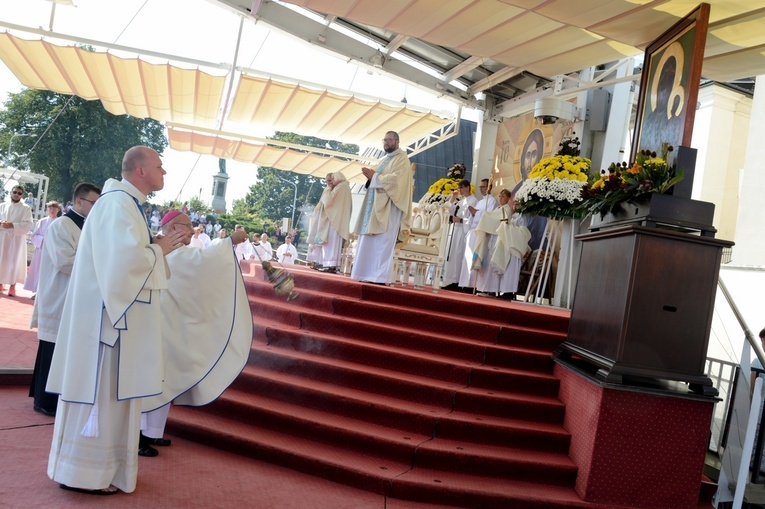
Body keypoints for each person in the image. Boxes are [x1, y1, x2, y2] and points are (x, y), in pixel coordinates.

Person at [46, 146, 187, 495]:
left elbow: (126, 256)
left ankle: (98, 471)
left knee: (110, 401)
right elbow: (121, 266)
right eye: (159, 166)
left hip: (111, 324)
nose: (164, 173)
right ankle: (84, 475)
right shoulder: (117, 204)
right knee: (101, 400)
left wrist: (154, 245)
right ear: (140, 171)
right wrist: (160, 249)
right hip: (105, 328)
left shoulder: (126, 205)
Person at [139, 211, 252, 457]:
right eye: (188, 226)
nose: (192, 231)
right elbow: (201, 262)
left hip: (169, 324)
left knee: (164, 377)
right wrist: (230, 241)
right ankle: (137, 436)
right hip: (157, 324)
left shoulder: (175, 250)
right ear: (172, 228)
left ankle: (151, 432)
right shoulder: (166, 250)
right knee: (153, 378)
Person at [29, 184, 101, 416]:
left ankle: (60, 398)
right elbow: (64, 261)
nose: (96, 207)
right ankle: (45, 400)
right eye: (93, 203)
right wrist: (100, 260)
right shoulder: (62, 225)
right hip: (59, 295)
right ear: (79, 201)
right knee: (52, 348)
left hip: (78, 297)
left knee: (68, 349)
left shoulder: (89, 226)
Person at [351, 131, 412, 284]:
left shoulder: (402, 160)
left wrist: (375, 177)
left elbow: (397, 181)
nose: (386, 143)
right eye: (384, 140)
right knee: (368, 241)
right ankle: (363, 273)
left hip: (390, 208)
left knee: (382, 242)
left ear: (397, 142)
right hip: (374, 208)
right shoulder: (383, 160)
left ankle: (378, 277)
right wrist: (370, 178)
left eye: (390, 140)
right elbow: (376, 180)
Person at [473, 189, 530, 299]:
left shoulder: (517, 215)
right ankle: (493, 290)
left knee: (508, 271)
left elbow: (521, 231)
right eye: (499, 196)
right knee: (496, 267)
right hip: (500, 242)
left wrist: (507, 228)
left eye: (503, 196)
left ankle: (506, 292)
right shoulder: (504, 212)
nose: (500, 198)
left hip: (512, 245)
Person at [308, 172, 352, 272]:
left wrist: (328, 188)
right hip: (334, 219)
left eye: (331, 180)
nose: (330, 182)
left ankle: (331, 264)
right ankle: (327, 263)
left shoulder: (341, 187)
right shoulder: (342, 187)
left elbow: (328, 201)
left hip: (334, 221)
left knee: (332, 243)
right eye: (328, 180)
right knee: (329, 243)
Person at [459, 178, 498, 291]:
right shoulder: (481, 202)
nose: (480, 189)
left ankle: (473, 285)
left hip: (481, 234)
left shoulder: (492, 201)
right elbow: (472, 217)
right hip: (473, 232)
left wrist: (475, 212)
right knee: (468, 258)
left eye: (483, 187)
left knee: (475, 258)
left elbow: (489, 217)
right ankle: (466, 283)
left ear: (489, 187)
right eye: (480, 187)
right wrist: (472, 214)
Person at [441, 179, 476, 291]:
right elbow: (448, 210)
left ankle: (458, 282)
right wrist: (453, 198)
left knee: (459, 255)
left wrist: (461, 220)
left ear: (467, 187)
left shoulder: (473, 200)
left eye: (461, 188)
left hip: (463, 231)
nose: (460, 190)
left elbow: (473, 218)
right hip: (455, 230)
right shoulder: (461, 201)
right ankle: (452, 280)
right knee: (452, 255)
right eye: (459, 188)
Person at [0, 185, 34, 297]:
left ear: (22, 195)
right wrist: (2, 223)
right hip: (2, 236)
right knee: (1, 259)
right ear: (10, 192)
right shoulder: (2, 205)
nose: (16, 194)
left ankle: (12, 285)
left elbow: (28, 224)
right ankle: (1, 283)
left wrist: (13, 225)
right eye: (15, 192)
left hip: (16, 238)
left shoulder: (26, 208)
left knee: (14, 261)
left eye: (19, 193)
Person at [24, 201, 62, 294]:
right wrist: (43, 240)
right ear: (47, 209)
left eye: (55, 208)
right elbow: (34, 235)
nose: (52, 210)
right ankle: (37, 291)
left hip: (53, 251)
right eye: (50, 208)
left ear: (58, 210)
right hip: (41, 250)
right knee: (39, 270)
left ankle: (46, 292)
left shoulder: (60, 222)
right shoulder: (42, 221)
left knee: (49, 271)